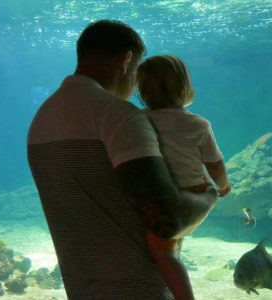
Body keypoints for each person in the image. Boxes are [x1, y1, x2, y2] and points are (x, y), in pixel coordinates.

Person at [27, 20, 217, 300]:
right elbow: (167, 221)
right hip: (140, 289)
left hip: (80, 290)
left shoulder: (40, 122)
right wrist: (210, 195)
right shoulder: (120, 117)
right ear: (127, 60)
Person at [136, 55, 231, 300]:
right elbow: (215, 163)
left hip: (164, 198)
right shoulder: (199, 124)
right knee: (173, 243)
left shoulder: (139, 120)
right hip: (197, 192)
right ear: (184, 88)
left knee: (161, 251)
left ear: (141, 91)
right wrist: (223, 186)